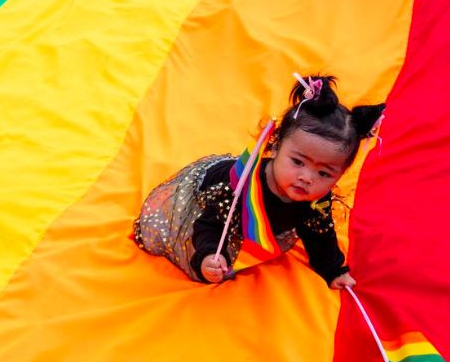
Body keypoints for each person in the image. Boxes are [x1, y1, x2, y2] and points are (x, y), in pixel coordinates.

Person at [133, 74, 384, 288]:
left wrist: (332, 270)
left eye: (324, 173)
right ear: (274, 146)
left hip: (253, 222)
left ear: (341, 174)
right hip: (210, 207)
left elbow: (319, 232)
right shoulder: (239, 187)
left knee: (314, 221)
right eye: (298, 162)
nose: (307, 178)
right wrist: (208, 256)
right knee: (206, 249)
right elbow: (210, 225)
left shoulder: (317, 198)